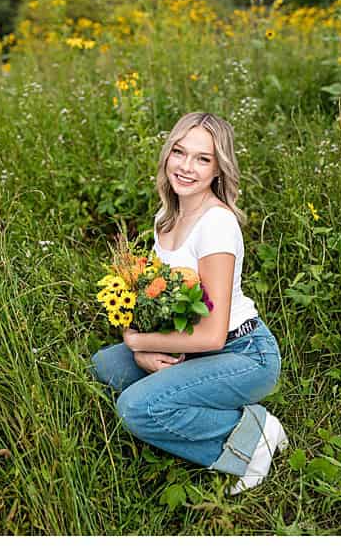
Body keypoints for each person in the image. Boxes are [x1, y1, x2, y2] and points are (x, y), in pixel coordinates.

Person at [89, 112, 288, 495]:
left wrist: (140, 343)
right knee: (105, 366)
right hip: (190, 347)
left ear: (218, 169)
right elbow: (150, 300)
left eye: (203, 158)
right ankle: (222, 415)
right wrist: (143, 349)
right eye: (180, 152)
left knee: (136, 408)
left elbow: (213, 334)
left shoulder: (216, 225)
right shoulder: (167, 216)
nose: (186, 166)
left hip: (242, 352)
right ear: (167, 155)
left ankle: (251, 436)